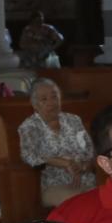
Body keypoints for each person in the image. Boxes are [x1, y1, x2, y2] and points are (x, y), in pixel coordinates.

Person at [17, 78, 96, 210]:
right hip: (55, 185)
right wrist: (65, 163)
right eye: (44, 99)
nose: (51, 102)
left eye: (54, 96)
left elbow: (90, 150)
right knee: (80, 205)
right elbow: (29, 156)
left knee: (104, 201)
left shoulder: (73, 120)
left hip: (87, 179)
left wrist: (82, 166)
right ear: (34, 104)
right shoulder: (30, 126)